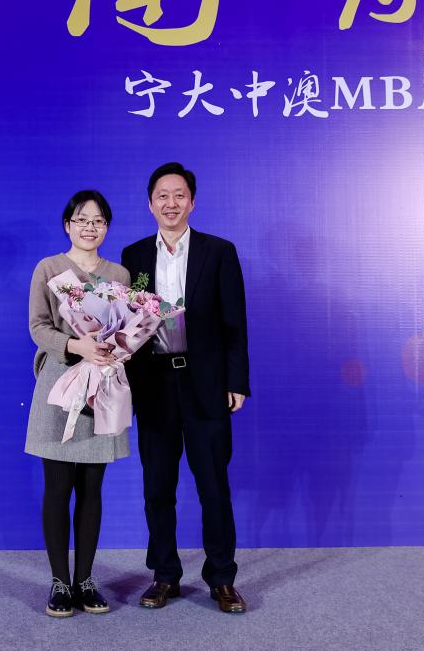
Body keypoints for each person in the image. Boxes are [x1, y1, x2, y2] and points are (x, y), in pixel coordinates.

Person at [121, 162, 250, 614]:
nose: (171, 203)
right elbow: (130, 322)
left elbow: (235, 323)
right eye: (162, 196)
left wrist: (236, 381)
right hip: (154, 384)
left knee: (213, 484)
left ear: (192, 201)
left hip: (205, 383)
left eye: (179, 195)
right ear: (150, 203)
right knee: (157, 485)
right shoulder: (135, 256)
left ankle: (222, 578)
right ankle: (165, 575)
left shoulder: (219, 252)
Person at [25, 190, 131, 617]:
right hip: (59, 383)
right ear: (67, 225)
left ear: (107, 227)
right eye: (82, 219)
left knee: (92, 487)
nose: (90, 227)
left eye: (98, 220)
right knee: (57, 486)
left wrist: (119, 348)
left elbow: (127, 329)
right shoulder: (49, 268)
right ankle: (59, 582)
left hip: (102, 385)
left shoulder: (119, 274)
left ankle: (85, 580)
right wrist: (76, 345)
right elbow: (38, 327)